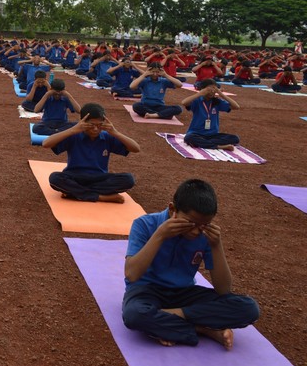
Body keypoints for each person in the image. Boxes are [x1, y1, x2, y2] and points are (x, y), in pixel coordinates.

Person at [122, 178, 260, 349]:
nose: (196, 231)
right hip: (146, 291)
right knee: (135, 315)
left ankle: (167, 320)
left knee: (249, 309)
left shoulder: (204, 235)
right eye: (191, 223)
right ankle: (203, 329)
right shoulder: (144, 224)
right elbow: (132, 274)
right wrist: (160, 235)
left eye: (204, 225)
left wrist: (216, 245)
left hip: (184, 294)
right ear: (172, 209)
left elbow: (223, 289)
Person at [42, 102, 140, 203]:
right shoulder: (74, 135)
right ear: (82, 122)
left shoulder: (107, 136)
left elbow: (136, 148)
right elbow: (46, 143)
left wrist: (115, 132)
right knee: (55, 178)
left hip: (99, 178)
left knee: (129, 179)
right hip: (75, 176)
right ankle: (100, 197)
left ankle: (75, 193)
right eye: (91, 125)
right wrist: (73, 130)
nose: (95, 129)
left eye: (99, 125)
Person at [180, 79, 240, 150]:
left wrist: (221, 94)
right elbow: (184, 102)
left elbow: (236, 107)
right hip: (196, 133)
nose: (212, 92)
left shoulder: (216, 102)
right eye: (209, 89)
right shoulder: (197, 101)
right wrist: (200, 93)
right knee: (188, 138)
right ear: (203, 89)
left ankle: (205, 143)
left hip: (213, 135)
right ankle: (218, 146)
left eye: (214, 89)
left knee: (235, 138)